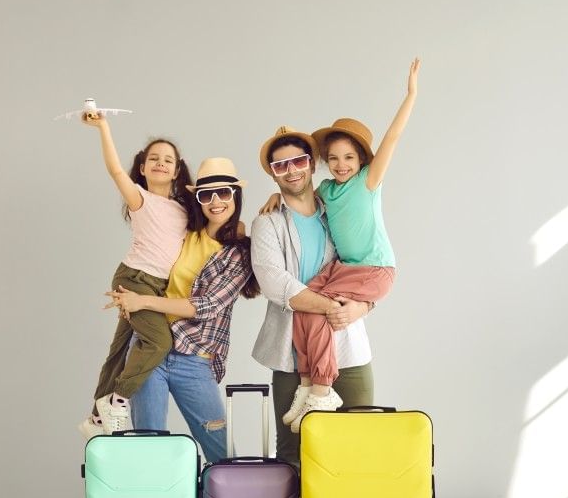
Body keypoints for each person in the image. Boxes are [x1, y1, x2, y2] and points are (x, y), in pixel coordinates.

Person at [279, 57, 421, 430]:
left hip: (374, 269)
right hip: (344, 268)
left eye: (349, 158)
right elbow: (296, 185)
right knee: (303, 302)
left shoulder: (368, 183)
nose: (341, 165)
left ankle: (324, 392)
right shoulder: (326, 188)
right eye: (335, 158)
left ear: (361, 161)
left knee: (323, 309)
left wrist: (410, 95)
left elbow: (392, 138)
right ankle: (307, 383)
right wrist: (273, 198)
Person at [106, 158, 259, 463]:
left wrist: (144, 302)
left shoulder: (239, 253)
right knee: (149, 445)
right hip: (151, 352)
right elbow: (150, 222)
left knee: (223, 453)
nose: (216, 202)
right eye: (206, 195)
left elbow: (207, 306)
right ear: (198, 200)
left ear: (236, 196)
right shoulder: (184, 232)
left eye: (224, 193)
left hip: (194, 360)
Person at [251, 127, 374, 468]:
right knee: (293, 449)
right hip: (293, 352)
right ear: (273, 173)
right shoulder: (268, 222)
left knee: (359, 439)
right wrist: (329, 306)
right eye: (280, 165)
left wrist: (363, 306)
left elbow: (364, 261)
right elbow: (274, 283)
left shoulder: (335, 207)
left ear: (312, 163)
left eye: (299, 161)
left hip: (346, 344)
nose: (291, 170)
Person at [77, 113, 193, 439]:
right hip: (135, 280)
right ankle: (117, 401)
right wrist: (103, 127)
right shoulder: (141, 199)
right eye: (153, 159)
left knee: (119, 351)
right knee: (158, 341)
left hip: (156, 287)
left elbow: (221, 211)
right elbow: (115, 170)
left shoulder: (185, 209)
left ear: (177, 169)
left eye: (168, 160)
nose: (160, 163)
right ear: (142, 168)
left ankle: (96, 419)